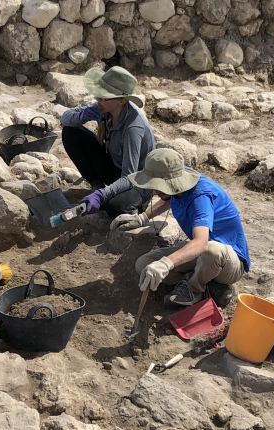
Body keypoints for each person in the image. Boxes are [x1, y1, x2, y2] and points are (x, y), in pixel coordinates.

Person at [112, 149, 250, 309]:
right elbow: (169, 197)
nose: (155, 192)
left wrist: (166, 263)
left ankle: (194, 289)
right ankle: (210, 286)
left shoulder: (200, 197)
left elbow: (201, 243)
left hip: (229, 261)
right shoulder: (178, 180)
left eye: (159, 187)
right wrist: (142, 218)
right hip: (202, 256)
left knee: (212, 250)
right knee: (144, 265)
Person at [60, 66, 155, 218]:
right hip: (115, 167)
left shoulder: (133, 128)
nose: (98, 100)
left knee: (114, 207)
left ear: (122, 101)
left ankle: (134, 202)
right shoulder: (104, 109)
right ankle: (96, 184)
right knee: (71, 132)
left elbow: (129, 177)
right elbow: (65, 118)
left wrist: (102, 195)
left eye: (104, 97)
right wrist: (81, 116)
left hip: (139, 180)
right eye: (98, 95)